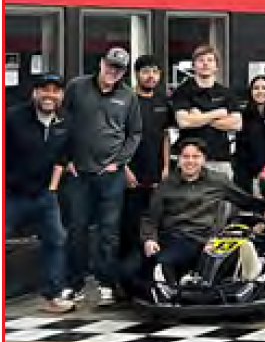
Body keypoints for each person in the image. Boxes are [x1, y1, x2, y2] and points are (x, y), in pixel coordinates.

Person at [61, 47, 143, 306]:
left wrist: (120, 162)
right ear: (100, 63)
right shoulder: (77, 87)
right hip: (79, 173)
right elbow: (62, 122)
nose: (112, 71)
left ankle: (106, 283)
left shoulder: (129, 97)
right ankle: (74, 283)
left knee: (109, 232)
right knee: (77, 229)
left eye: (118, 69)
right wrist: (66, 160)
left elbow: (135, 133)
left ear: (123, 73)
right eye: (109, 65)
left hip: (111, 175)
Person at [139, 139, 265, 285]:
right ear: (179, 159)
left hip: (206, 239)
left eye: (195, 157)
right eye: (186, 157)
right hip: (175, 237)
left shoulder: (219, 181)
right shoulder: (165, 186)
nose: (190, 161)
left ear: (204, 159)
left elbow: (246, 201)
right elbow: (150, 217)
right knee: (139, 269)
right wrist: (149, 239)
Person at [5, 73, 74, 313]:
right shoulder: (12, 118)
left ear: (62, 96)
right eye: (44, 90)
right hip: (11, 194)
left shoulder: (65, 122)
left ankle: (53, 296)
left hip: (45, 195)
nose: (50, 95)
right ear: (35, 93)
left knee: (56, 240)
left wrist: (52, 188)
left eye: (56, 91)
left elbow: (62, 158)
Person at [123, 56, 173, 262]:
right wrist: (125, 169)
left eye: (154, 72)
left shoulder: (163, 102)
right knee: (129, 226)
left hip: (157, 174)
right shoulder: (126, 100)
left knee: (155, 224)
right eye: (145, 72)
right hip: (131, 174)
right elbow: (117, 138)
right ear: (136, 74)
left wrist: (167, 167)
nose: (150, 76)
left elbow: (166, 136)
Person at [171, 45, 241, 178]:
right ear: (194, 65)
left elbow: (236, 124)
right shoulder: (182, 91)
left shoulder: (227, 93)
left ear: (216, 66)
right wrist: (218, 113)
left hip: (220, 159)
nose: (205, 64)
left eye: (210, 60)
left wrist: (199, 117)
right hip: (190, 161)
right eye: (201, 60)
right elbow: (184, 122)